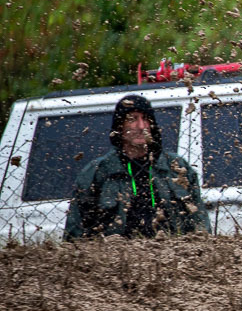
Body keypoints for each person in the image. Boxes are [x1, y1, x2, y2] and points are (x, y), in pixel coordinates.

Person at [65, 93, 209, 239]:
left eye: (145, 119)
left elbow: (200, 223)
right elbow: (75, 233)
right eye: (132, 119)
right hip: (120, 252)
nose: (141, 126)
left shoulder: (175, 167)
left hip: (172, 250)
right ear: (120, 126)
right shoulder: (99, 171)